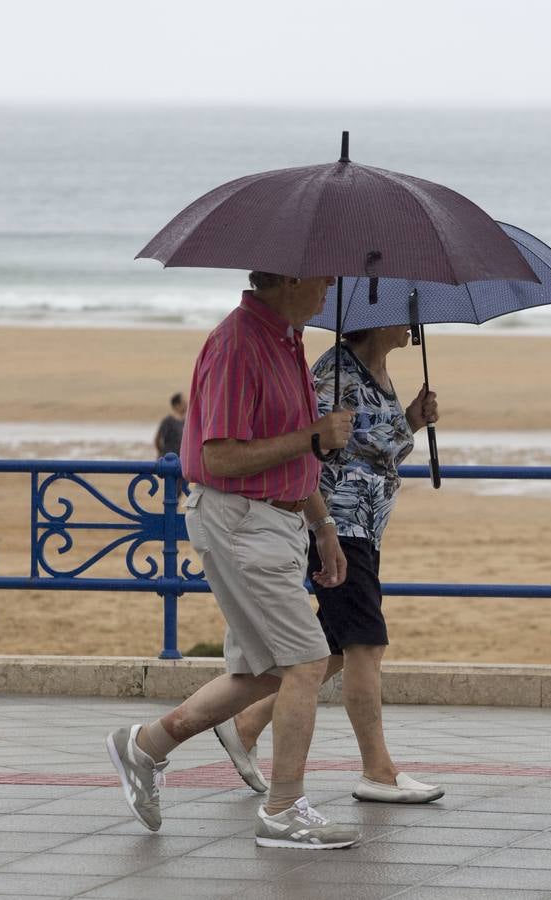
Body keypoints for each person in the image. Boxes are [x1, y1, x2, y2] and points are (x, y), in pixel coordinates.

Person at [105, 271, 361, 849]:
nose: (329, 288)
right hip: (242, 521)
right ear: (288, 277)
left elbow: (295, 444)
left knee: (262, 670)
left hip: (279, 521)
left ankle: (144, 746)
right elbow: (218, 457)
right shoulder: (238, 344)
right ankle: (283, 807)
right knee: (307, 661)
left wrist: (321, 524)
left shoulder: (287, 339)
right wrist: (312, 438)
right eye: (322, 276)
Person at [215, 325, 443, 805]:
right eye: (406, 314)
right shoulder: (334, 373)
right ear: (377, 318)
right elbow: (310, 448)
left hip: (366, 525)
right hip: (340, 527)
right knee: (366, 645)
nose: (412, 324)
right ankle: (378, 771)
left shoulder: (377, 371)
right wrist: (324, 528)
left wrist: (412, 421)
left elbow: (374, 448)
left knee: (336, 647)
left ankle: (246, 724)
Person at [153, 392, 187, 458]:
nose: (187, 404)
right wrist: (162, 455)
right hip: (168, 460)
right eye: (184, 402)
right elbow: (158, 440)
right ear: (177, 405)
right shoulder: (168, 421)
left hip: (180, 460)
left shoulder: (186, 422)